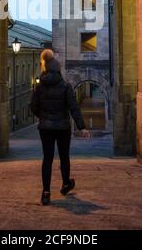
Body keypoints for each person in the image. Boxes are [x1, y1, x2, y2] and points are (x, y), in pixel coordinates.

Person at [30, 49, 90, 205]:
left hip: (46, 127)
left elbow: (33, 107)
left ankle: (45, 192)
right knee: (64, 157)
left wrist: (43, 117)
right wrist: (82, 127)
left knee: (47, 159)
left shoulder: (39, 86)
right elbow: (73, 107)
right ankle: (65, 184)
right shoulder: (65, 86)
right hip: (63, 127)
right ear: (58, 69)